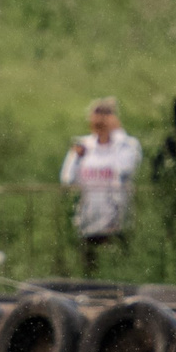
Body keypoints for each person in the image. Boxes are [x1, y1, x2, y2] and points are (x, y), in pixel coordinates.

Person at [58, 97, 141, 273]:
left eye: (105, 116)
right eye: (96, 117)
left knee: (118, 270)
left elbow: (124, 169)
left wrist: (117, 134)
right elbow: (67, 178)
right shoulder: (83, 146)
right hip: (88, 219)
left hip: (117, 220)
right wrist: (77, 157)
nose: (99, 123)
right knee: (90, 269)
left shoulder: (128, 145)